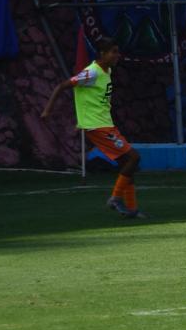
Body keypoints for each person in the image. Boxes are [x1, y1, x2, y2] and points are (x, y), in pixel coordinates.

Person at [41, 37, 145, 218]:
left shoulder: (107, 71)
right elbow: (62, 86)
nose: (117, 55)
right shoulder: (91, 73)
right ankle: (115, 198)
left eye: (117, 52)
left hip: (105, 124)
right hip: (98, 127)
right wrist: (47, 110)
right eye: (113, 52)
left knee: (126, 165)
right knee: (134, 158)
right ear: (102, 54)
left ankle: (132, 209)